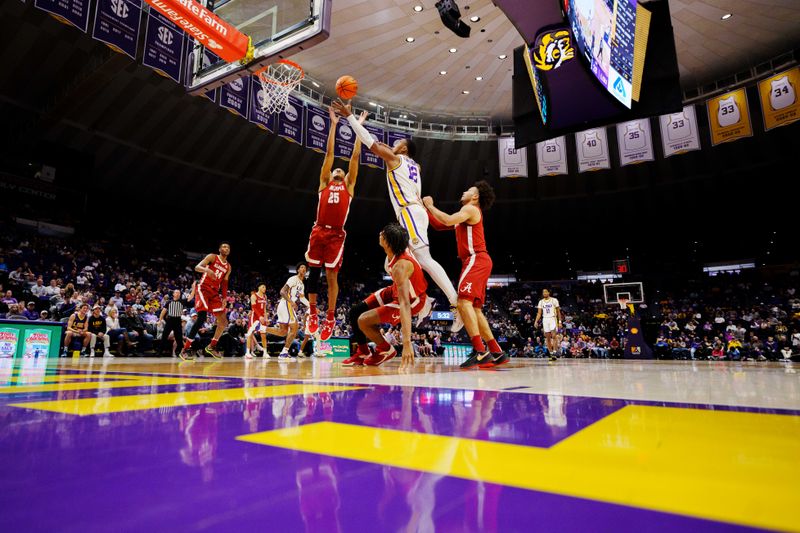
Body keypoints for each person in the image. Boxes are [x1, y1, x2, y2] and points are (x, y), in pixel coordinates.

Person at [331, 100, 461, 333]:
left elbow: (371, 143)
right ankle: (422, 300)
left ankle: (455, 303)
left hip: (409, 212)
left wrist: (350, 117)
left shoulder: (397, 159)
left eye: (398, 143)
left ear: (404, 149)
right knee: (391, 261)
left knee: (424, 258)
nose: (394, 143)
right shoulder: (414, 166)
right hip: (413, 212)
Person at [423, 182, 508, 369]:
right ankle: (496, 351)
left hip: (475, 259)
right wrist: (423, 210)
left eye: (468, 190)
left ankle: (480, 350)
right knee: (475, 309)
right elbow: (439, 224)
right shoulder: (465, 216)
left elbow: (447, 220)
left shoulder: (469, 208)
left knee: (463, 303)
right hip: (478, 261)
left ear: (475, 197)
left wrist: (429, 205)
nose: (463, 191)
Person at [305, 108, 367, 342]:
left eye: (340, 170)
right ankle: (312, 313)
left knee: (332, 277)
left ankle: (330, 317)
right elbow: (329, 152)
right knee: (313, 274)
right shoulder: (324, 182)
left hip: (336, 236)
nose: (338, 169)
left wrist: (358, 127)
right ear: (329, 174)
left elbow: (355, 157)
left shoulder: (349, 185)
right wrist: (332, 125)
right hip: (318, 230)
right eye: (335, 169)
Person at [342, 223, 429, 368]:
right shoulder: (396, 249)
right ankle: (363, 352)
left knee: (363, 321)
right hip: (395, 289)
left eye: (384, 234)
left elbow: (405, 304)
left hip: (413, 300)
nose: (380, 233)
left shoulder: (400, 267)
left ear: (389, 243)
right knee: (355, 312)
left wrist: (407, 344)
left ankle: (386, 349)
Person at [181, 243, 232, 359]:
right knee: (202, 317)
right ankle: (185, 349)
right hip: (203, 288)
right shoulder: (212, 257)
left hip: (214, 293)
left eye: (228, 247)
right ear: (219, 249)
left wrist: (224, 297)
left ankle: (211, 346)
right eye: (224, 247)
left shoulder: (228, 266)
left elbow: (224, 283)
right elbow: (197, 267)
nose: (226, 248)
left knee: (223, 322)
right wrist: (207, 271)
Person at [263, 263, 309, 360]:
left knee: (283, 332)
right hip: (286, 304)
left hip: (286, 305)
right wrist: (291, 302)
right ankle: (284, 352)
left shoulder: (302, 284)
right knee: (295, 327)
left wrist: (311, 306)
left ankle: (263, 328)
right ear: (297, 270)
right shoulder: (293, 279)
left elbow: (302, 298)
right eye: (301, 267)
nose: (303, 269)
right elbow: (282, 291)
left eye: (305, 268)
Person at [535, 289, 562, 359]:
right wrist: (536, 321)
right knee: (547, 337)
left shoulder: (554, 300)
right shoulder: (541, 302)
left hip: (553, 318)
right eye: (543, 292)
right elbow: (539, 313)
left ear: (549, 293)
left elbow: (558, 312)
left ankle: (555, 351)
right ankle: (551, 353)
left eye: (546, 292)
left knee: (554, 336)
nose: (544, 293)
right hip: (545, 319)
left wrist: (560, 322)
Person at [159, 290, 186, 358]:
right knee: (164, 335)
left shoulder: (182, 301)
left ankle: (179, 352)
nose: (178, 293)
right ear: (173, 294)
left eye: (179, 293)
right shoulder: (169, 302)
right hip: (170, 320)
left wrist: (194, 289)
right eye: (176, 292)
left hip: (178, 320)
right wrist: (160, 320)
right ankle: (160, 351)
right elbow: (163, 311)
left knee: (179, 337)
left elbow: (190, 298)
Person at [247, 284, 269, 357]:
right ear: (259, 287)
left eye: (265, 287)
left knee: (263, 335)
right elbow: (254, 308)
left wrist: (266, 318)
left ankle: (265, 353)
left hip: (262, 317)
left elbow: (265, 308)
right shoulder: (253, 296)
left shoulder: (265, 296)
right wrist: (259, 316)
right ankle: (247, 353)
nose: (264, 288)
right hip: (255, 317)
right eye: (263, 287)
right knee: (250, 334)